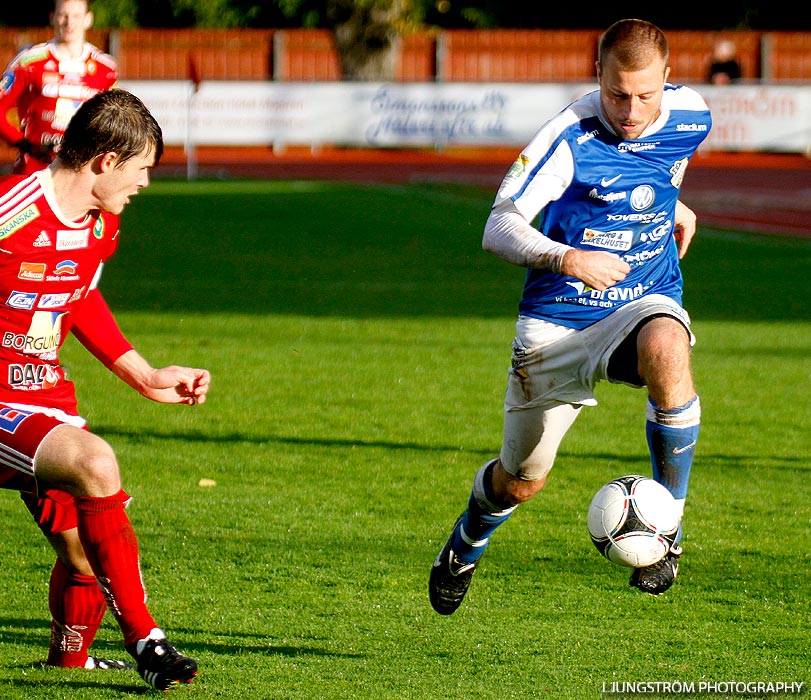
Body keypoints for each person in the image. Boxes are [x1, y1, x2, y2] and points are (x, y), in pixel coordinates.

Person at [429, 18, 712, 615]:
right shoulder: (568, 137)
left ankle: (671, 531)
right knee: (521, 480)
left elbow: (663, 163)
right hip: (558, 324)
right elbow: (497, 226)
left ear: (668, 78)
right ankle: (469, 539)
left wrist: (673, 202)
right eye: (616, 94)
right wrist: (566, 257)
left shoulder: (692, 116)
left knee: (668, 347)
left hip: (641, 296)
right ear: (597, 77)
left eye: (645, 95)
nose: (631, 111)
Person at [0, 88, 209, 691]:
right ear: (106, 161)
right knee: (95, 461)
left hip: (41, 394)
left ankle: (67, 666)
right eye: (142, 169)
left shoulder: (99, 228)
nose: (144, 184)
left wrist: (144, 375)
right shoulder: (13, 208)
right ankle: (149, 641)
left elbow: (80, 297)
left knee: (87, 553)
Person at [0, 0, 117, 175]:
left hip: (82, 174)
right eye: (63, 15)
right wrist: (24, 144)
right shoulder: (28, 62)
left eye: (76, 16)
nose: (69, 22)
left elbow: (113, 119)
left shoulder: (106, 67)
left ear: (88, 19)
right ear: (53, 17)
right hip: (35, 172)